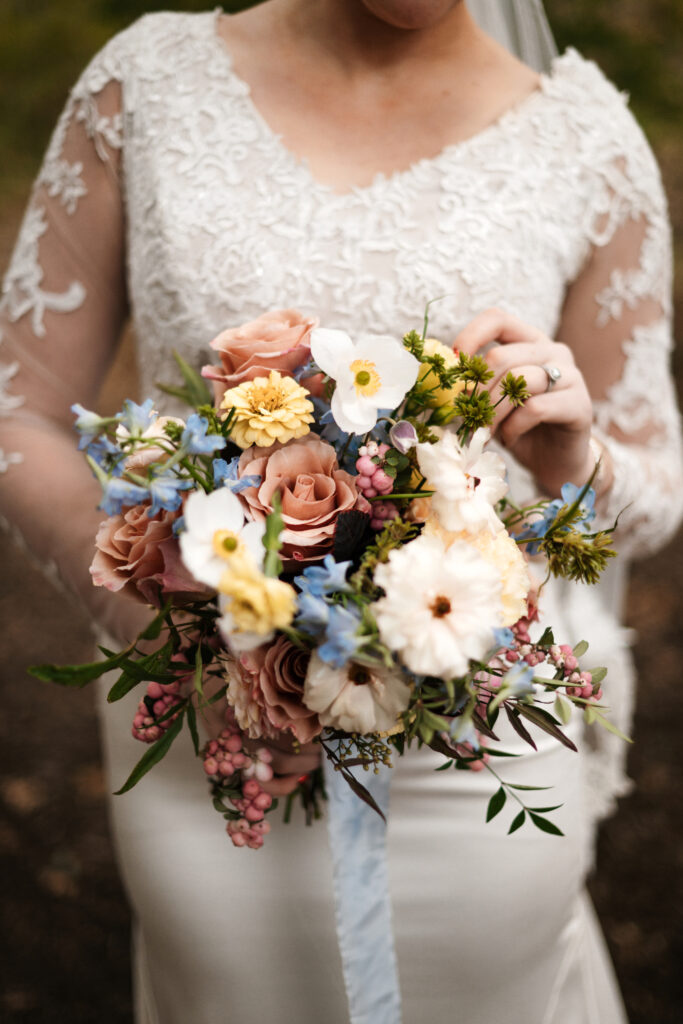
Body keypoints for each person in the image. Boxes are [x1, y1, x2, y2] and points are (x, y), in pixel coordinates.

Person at [1, 2, 681, 1021]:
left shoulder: (585, 146)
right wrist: (162, 626)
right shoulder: (144, 87)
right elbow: (22, 410)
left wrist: (572, 453)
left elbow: (654, 492)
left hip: (475, 759)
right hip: (217, 749)